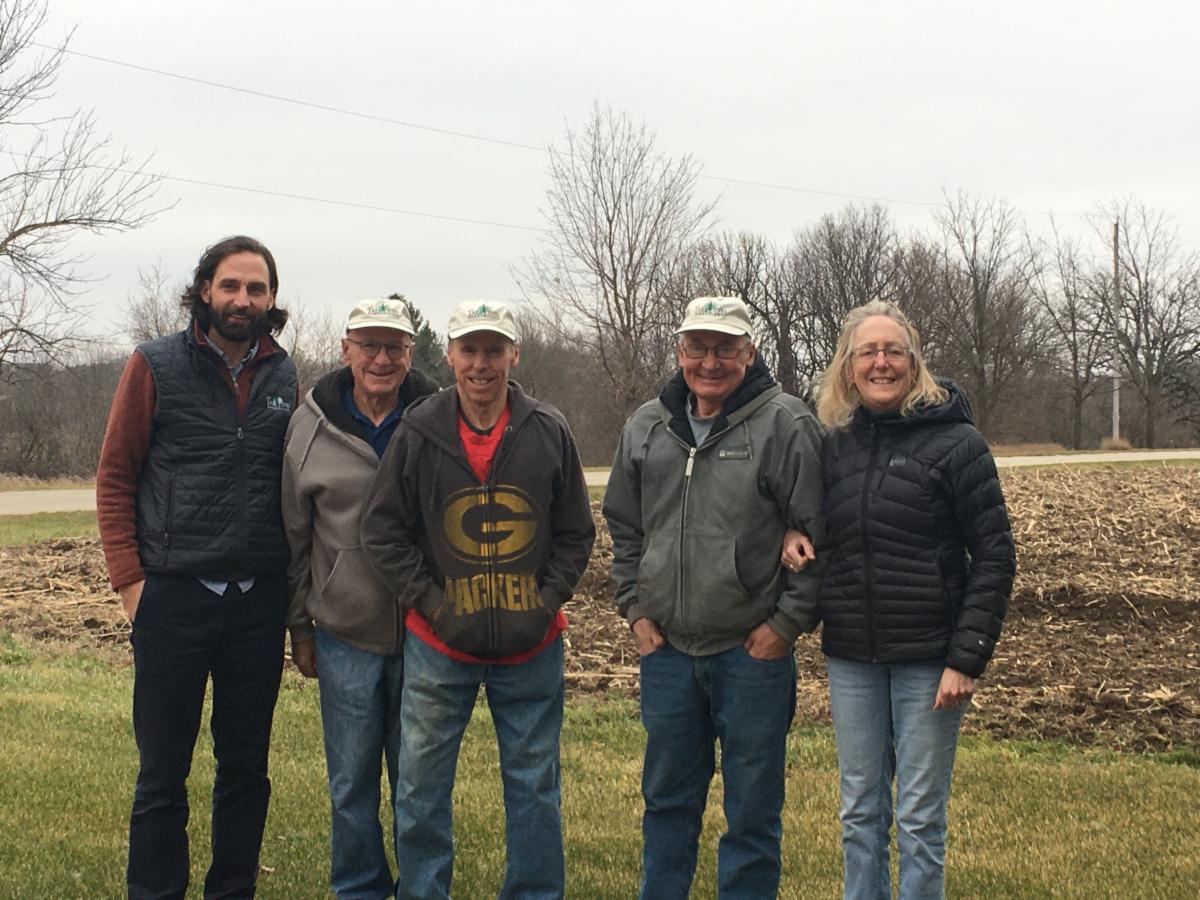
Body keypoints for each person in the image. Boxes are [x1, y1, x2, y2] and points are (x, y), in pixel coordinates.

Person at [360, 300, 595, 900]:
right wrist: (432, 604)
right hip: (439, 647)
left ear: (514, 355)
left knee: (535, 787)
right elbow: (381, 531)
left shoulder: (548, 430)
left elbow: (575, 533)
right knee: (419, 788)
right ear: (451, 355)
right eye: (469, 350)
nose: (481, 364)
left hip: (533, 647)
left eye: (494, 350)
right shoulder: (420, 430)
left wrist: (544, 603)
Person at [785, 299, 1015, 900]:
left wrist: (967, 659)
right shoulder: (833, 444)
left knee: (918, 818)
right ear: (848, 366)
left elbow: (994, 557)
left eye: (894, 352)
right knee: (860, 813)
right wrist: (793, 535)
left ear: (915, 366)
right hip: (853, 657)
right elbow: (807, 517)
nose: (881, 362)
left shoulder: (958, 444)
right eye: (868, 352)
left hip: (929, 662)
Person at [603, 296, 825, 900]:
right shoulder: (647, 426)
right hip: (668, 652)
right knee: (667, 803)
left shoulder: (785, 423)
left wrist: (785, 625)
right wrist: (635, 609)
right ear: (679, 353)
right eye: (697, 347)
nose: (710, 361)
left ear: (748, 353)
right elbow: (623, 525)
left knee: (752, 814)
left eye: (725, 348)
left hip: (750, 656)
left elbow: (819, 533)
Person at [96, 235, 297, 899]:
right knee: (162, 775)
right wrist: (132, 586)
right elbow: (115, 474)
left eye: (257, 289)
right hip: (174, 600)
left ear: (271, 300)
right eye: (232, 286)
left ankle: (232, 890)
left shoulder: (285, 376)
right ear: (204, 290)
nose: (244, 300)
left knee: (246, 770)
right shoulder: (153, 365)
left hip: (256, 603)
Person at [281, 297, 440, 898]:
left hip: (426, 632)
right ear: (345, 349)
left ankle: (422, 889)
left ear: (410, 353)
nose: (381, 358)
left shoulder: (436, 416)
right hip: (344, 634)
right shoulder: (310, 424)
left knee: (418, 785)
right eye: (368, 344)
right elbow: (295, 534)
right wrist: (300, 626)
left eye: (395, 346)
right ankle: (360, 888)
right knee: (350, 786)